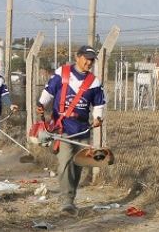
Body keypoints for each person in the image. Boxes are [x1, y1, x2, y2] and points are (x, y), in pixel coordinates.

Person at [36, 45, 106, 215]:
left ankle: (70, 197)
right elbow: (49, 91)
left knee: (78, 164)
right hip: (63, 128)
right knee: (65, 161)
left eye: (91, 60)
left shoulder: (94, 82)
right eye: (86, 59)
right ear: (78, 57)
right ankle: (66, 201)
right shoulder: (62, 73)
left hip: (82, 129)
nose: (88, 63)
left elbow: (99, 104)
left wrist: (97, 118)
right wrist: (41, 104)